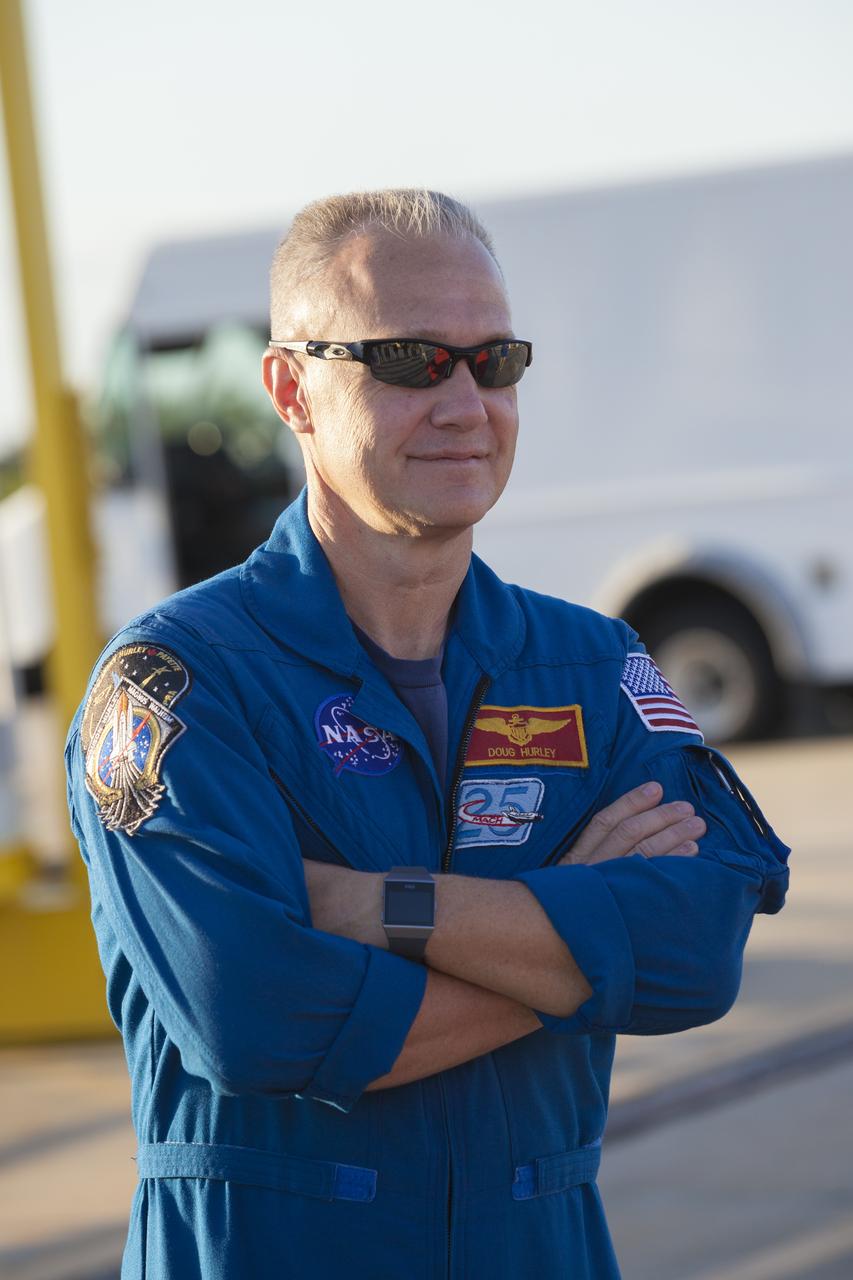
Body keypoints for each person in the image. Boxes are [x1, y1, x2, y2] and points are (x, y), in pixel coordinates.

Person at [65, 189, 790, 1280]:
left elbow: (693, 953)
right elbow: (262, 1017)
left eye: (493, 360)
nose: (465, 401)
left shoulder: (589, 665)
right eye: (408, 358)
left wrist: (373, 905)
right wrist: (579, 931)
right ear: (289, 388)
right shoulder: (175, 687)